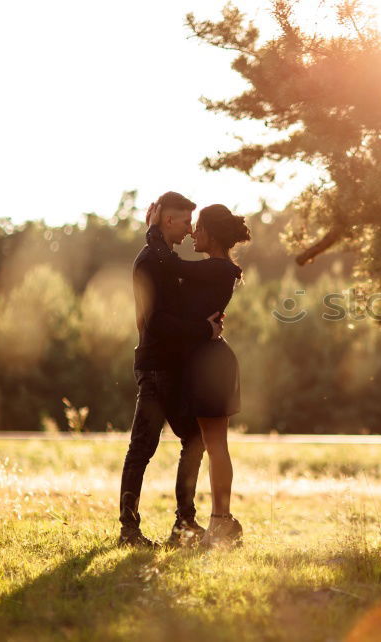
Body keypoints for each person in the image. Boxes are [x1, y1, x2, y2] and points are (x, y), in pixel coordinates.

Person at [118, 191, 224, 548]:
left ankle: (184, 524)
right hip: (156, 367)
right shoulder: (149, 261)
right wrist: (203, 330)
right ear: (168, 220)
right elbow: (157, 321)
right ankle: (129, 531)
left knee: (193, 440)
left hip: (174, 368)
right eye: (185, 221)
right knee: (142, 448)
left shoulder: (165, 259)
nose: (190, 230)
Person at [146, 201, 250, 548]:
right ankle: (219, 521)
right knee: (210, 443)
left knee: (215, 444)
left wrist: (154, 229)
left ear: (213, 234)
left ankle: (221, 520)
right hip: (205, 361)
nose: (193, 233)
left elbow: (171, 263)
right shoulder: (213, 268)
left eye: (199, 228)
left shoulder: (218, 269)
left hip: (211, 364)